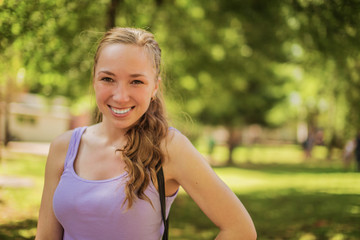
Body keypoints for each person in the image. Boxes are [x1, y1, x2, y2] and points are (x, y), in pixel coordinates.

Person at [35, 27, 256, 240]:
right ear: (94, 79)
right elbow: (45, 236)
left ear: (154, 88)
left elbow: (240, 229)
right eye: (108, 79)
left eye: (136, 82)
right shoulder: (64, 147)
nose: (121, 96)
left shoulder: (169, 147)